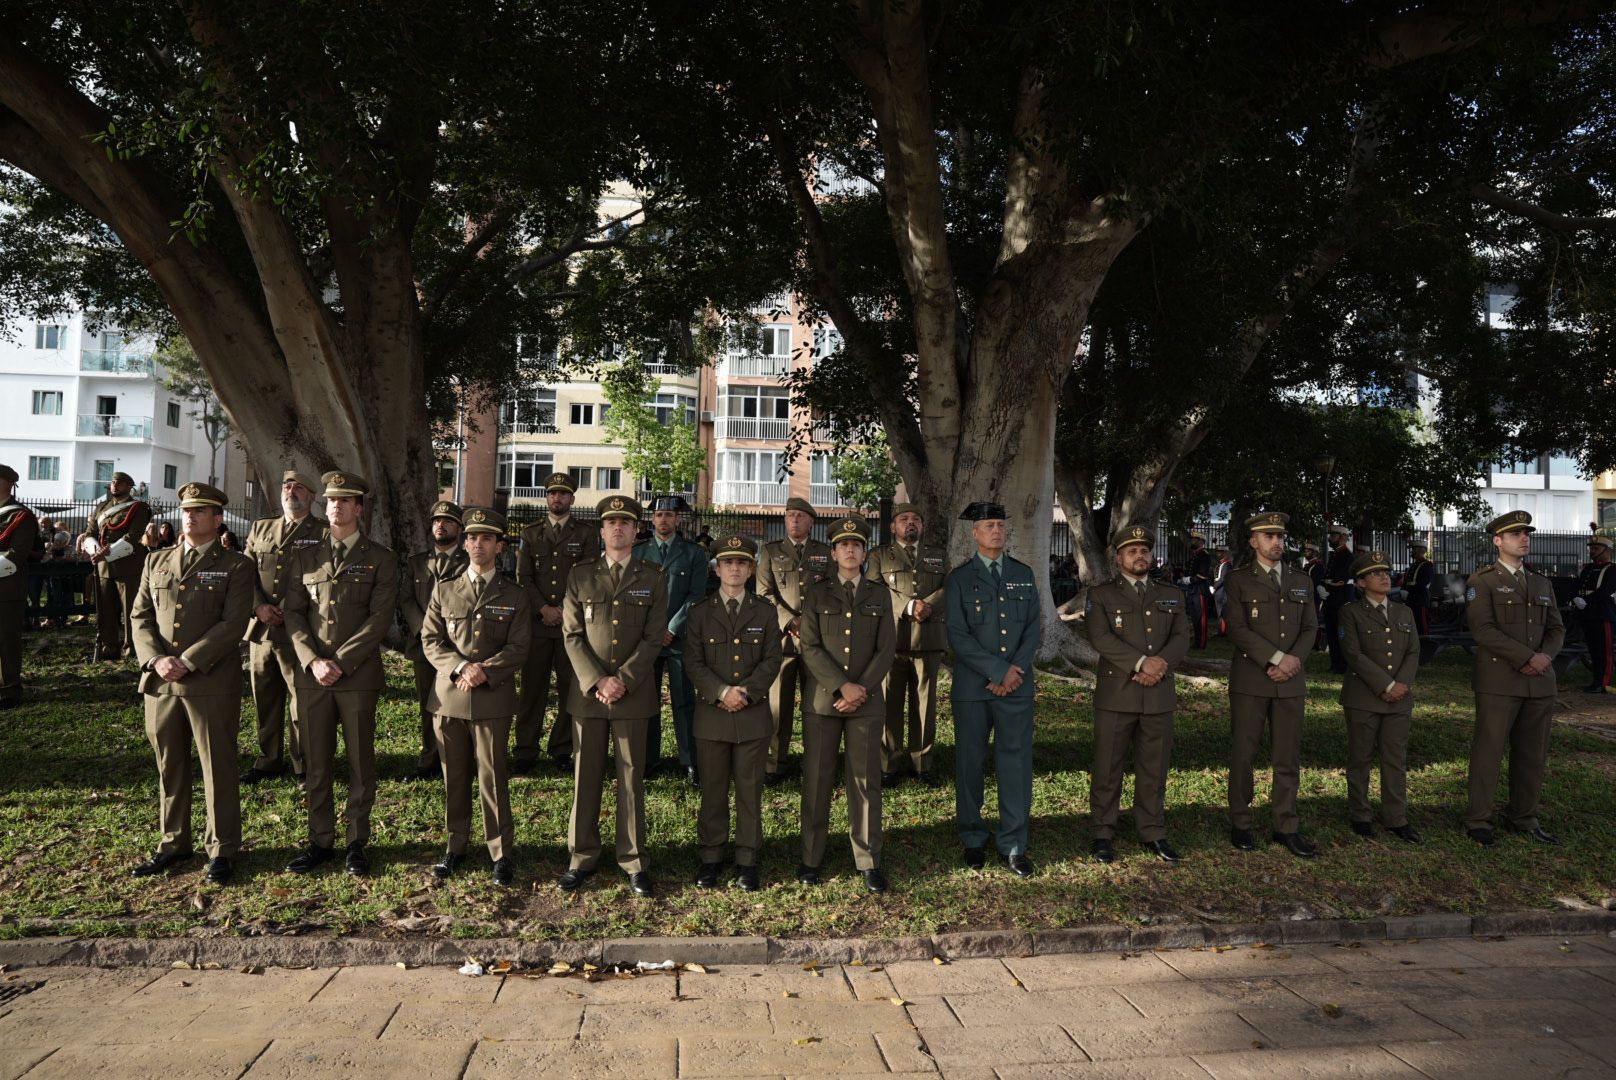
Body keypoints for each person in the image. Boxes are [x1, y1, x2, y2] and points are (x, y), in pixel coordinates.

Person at [127, 482, 254, 885]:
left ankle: (222, 848)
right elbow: (140, 616)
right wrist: (156, 659)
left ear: (218, 519)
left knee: (217, 766)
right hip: (161, 682)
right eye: (186, 510)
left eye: (200, 511)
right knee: (170, 765)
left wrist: (187, 660)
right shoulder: (156, 560)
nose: (190, 516)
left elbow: (233, 623)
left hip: (209, 681)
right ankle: (173, 842)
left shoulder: (237, 565)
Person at [280, 470, 399, 877]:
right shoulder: (305, 556)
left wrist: (341, 663)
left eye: (345, 500)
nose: (337, 506)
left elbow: (379, 619)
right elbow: (294, 614)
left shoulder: (380, 558)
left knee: (360, 760)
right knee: (316, 761)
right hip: (312, 676)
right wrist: (313, 660)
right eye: (332, 500)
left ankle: (356, 842)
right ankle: (320, 840)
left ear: (359, 509)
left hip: (357, 676)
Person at [558, 495, 668, 897]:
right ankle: (580, 856)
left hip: (632, 694)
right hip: (589, 695)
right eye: (611, 522)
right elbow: (571, 634)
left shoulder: (653, 576)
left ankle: (634, 859)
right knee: (585, 776)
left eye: (625, 522)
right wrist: (598, 681)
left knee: (631, 778)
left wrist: (622, 679)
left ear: (636, 531)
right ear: (601, 530)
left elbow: (654, 637)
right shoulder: (580, 575)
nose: (618, 527)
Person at [420, 507, 530, 885]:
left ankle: (500, 851)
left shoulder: (515, 594)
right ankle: (455, 845)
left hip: (491, 698)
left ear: (500, 546)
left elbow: (519, 646)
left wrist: (484, 670)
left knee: (492, 776)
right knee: (454, 776)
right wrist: (460, 666)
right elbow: (430, 640)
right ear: (465, 544)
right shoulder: (444, 589)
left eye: (486, 538)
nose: (478, 544)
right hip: (449, 698)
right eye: (472, 537)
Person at [797, 515, 896, 892]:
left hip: (866, 703)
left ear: (865, 553)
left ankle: (868, 858)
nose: (850, 550)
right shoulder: (816, 592)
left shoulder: (879, 594)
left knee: (865, 780)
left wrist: (860, 690)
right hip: (824, 702)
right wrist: (841, 687)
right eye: (843, 545)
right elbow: (809, 646)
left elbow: (886, 648)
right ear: (834, 553)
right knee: (817, 779)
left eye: (856, 545)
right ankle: (811, 857)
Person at [1083, 525, 1192, 864]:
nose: (1139, 555)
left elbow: (1182, 636)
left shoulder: (1170, 593)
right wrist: (1142, 663)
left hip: (1158, 692)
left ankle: (1152, 830)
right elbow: (1100, 637)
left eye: (1144, 550)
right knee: (1108, 767)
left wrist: (1159, 665)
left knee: (1154, 768)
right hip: (1118, 693)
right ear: (1118, 559)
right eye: (1132, 551)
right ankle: (1102, 832)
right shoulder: (1101, 594)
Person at [945, 501, 1040, 878]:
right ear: (975, 533)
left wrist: (1012, 673)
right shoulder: (959, 579)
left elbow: (1032, 628)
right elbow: (957, 635)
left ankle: (1014, 842)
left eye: (1000, 525)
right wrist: (998, 671)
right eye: (988, 525)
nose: (996, 531)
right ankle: (972, 837)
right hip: (973, 688)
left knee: (1015, 764)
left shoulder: (1023, 574)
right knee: (970, 764)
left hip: (1016, 685)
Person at [683, 535, 783, 891]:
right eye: (728, 563)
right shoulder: (699, 613)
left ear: (752, 570)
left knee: (749, 791)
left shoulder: (765, 611)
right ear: (717, 569)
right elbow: (693, 662)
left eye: (742, 563)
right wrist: (722, 692)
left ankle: (746, 859)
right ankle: (711, 857)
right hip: (712, 718)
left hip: (752, 717)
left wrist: (746, 693)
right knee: (712, 791)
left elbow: (772, 659)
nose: (735, 569)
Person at [1463, 510, 1565, 847]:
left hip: (1539, 681)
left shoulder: (1541, 582)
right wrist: (1527, 657)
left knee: (1532, 754)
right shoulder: (1483, 581)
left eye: (1526, 533)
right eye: (1515, 534)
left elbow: (1556, 629)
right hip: (1500, 681)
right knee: (1488, 752)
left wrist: (1544, 657)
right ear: (1498, 541)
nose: (1524, 539)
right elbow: (1483, 630)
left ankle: (1524, 816)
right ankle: (1479, 819)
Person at [1223, 511, 1319, 858]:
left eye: (1280, 536)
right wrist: (1275, 659)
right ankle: (1241, 822)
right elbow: (1236, 627)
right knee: (1244, 755)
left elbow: (1310, 627)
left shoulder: (1301, 580)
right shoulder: (1238, 580)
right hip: (1252, 680)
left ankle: (1286, 825)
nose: (1277, 542)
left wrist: (1293, 661)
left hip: (1290, 682)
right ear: (1253, 542)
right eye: (1269, 536)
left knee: (1287, 756)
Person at [242, 470, 326, 785]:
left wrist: (291, 610)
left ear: (312, 496)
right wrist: (258, 606)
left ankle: (303, 764)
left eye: (299, 487)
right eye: (287, 485)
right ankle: (268, 760)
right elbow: (245, 573)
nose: (291, 490)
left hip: (300, 632)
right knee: (264, 698)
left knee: (300, 700)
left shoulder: (323, 532)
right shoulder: (261, 528)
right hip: (262, 630)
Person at [514, 472, 598, 773]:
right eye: (552, 493)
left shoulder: (586, 533)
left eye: (563, 494)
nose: (557, 498)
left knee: (568, 687)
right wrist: (542, 608)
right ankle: (526, 749)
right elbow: (523, 577)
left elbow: (588, 576)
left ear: (572, 498)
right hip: (537, 626)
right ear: (546, 497)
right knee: (532, 690)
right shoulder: (530, 533)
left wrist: (563, 609)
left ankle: (562, 748)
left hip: (570, 626)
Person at [1337, 551, 1422, 843]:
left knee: (1395, 759)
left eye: (1386, 572)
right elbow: (1353, 654)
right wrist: (1386, 685)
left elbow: (1413, 651)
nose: (1384, 577)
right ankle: (1360, 814)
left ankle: (1396, 817)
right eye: (1375, 573)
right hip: (1363, 697)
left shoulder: (1404, 612)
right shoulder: (1350, 612)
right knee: (1360, 758)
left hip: (1399, 698)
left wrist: (1401, 685)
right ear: (1361, 583)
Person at [865, 501, 948, 787]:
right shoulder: (879, 556)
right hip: (892, 640)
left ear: (922, 526)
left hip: (928, 639)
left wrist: (928, 605)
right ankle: (888, 765)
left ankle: (921, 765)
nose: (910, 522)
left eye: (915, 519)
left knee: (924, 706)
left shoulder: (938, 555)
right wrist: (908, 605)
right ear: (893, 526)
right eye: (904, 519)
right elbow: (872, 589)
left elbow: (949, 586)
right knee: (889, 704)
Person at [634, 495, 710, 782]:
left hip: (680, 638)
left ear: (678, 519)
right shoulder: (638, 552)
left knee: (684, 700)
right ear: (652, 519)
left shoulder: (694, 553)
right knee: (647, 701)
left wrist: (673, 628)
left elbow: (696, 595)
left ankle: (690, 761)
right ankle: (648, 759)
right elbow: (634, 596)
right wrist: (655, 631)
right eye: (658, 515)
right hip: (646, 638)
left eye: (668, 515)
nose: (663, 519)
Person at [756, 497, 832, 785]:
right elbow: (764, 593)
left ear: (811, 521)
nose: (795, 520)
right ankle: (774, 764)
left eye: (801, 515)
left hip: (817, 641)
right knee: (778, 706)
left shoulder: (824, 553)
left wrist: (809, 623)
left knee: (816, 706)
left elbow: (832, 591)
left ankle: (814, 762)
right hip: (783, 642)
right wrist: (789, 620)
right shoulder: (770, 551)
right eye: (790, 515)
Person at [400, 501, 469, 780]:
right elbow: (406, 599)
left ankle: (459, 759)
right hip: (423, 646)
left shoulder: (468, 562)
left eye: (448, 521)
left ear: (460, 529)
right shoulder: (417, 562)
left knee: (457, 705)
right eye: (437, 521)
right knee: (429, 704)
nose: (441, 525)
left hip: (457, 646)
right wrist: (424, 629)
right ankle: (429, 760)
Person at [80, 472, 152, 660]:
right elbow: (90, 533)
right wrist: (96, 550)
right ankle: (109, 647)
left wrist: (106, 552)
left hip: (128, 566)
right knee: (105, 610)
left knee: (131, 610)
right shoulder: (101, 507)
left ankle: (132, 648)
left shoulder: (139, 508)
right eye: (112, 482)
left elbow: (133, 535)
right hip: (103, 566)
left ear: (129, 487)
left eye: (119, 483)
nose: (114, 485)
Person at [0, 465, 40, 707]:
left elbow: (17, 554)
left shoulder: (20, 516)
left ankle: (9, 690)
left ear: (6, 483)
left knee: (6, 640)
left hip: (7, 588)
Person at [1572, 530, 1614, 694]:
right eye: (1591, 548)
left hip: (1602, 614)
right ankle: (1595, 681)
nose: (1592, 551)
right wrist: (1575, 597)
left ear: (1607, 550)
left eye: (1596, 548)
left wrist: (1586, 600)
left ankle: (1603, 683)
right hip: (1587, 613)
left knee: (1604, 651)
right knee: (1593, 650)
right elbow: (1577, 585)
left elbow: (1605, 590)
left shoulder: (1612, 569)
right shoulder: (1588, 568)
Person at [1320, 524, 1356, 673]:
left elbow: (1342, 579)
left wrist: (1326, 586)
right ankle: (1336, 664)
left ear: (1342, 538)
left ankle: (1343, 665)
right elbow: (1328, 576)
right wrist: (1322, 586)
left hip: (1341, 601)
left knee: (1341, 635)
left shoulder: (1347, 555)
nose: (1329, 538)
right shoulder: (1335, 554)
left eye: (1333, 536)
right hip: (1332, 600)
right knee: (1332, 633)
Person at [1182, 530, 1213, 649]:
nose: (1192, 541)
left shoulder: (1204, 555)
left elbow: (1202, 575)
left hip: (1200, 590)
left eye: (1195, 539)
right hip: (1193, 590)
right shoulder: (1195, 554)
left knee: (1201, 618)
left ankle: (1201, 643)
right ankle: (1197, 641)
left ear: (1201, 541)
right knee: (1195, 618)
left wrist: (1189, 580)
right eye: (1192, 539)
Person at [1401, 540, 1436, 635]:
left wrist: (1409, 592)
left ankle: (1424, 640)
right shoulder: (1414, 565)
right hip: (1410, 599)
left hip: (1420, 599)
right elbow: (1406, 581)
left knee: (1421, 624)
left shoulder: (1426, 566)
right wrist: (1403, 590)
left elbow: (1423, 584)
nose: (1412, 551)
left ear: (1422, 550)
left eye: (1414, 549)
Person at [1211, 545, 1232, 635]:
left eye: (1220, 552)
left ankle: (1223, 631)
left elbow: (1223, 579)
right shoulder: (1219, 565)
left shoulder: (1227, 565)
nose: (1218, 553)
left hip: (1223, 590)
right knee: (1219, 611)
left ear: (1225, 553)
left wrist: (1214, 587)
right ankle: (1221, 630)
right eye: (1217, 552)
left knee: (1222, 612)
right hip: (1218, 591)